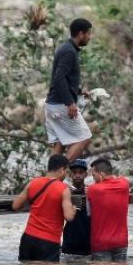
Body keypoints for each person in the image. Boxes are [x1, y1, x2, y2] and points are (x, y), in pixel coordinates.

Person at [44, 18, 93, 161]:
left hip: (53, 104)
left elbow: (63, 78)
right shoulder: (69, 51)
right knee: (85, 138)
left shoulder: (66, 48)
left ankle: (49, 179)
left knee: (60, 142)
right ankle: (58, 172)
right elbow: (59, 78)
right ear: (80, 34)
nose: (90, 37)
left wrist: (78, 91)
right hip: (61, 105)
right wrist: (70, 103)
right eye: (88, 33)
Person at [13, 154, 77, 262]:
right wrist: (74, 208)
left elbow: (15, 205)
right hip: (49, 241)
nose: (66, 175)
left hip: (28, 237)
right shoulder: (63, 189)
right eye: (66, 171)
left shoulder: (33, 183)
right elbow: (69, 216)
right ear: (62, 169)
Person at [86, 158, 130, 262]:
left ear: (101, 174)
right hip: (121, 241)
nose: (93, 179)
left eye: (94, 175)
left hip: (100, 242)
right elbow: (120, 178)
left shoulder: (92, 189)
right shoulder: (124, 184)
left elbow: (89, 213)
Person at [62, 159, 91, 259]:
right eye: (74, 172)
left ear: (86, 174)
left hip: (88, 244)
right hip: (69, 243)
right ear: (70, 174)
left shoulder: (92, 191)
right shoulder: (65, 192)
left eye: (81, 172)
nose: (77, 175)